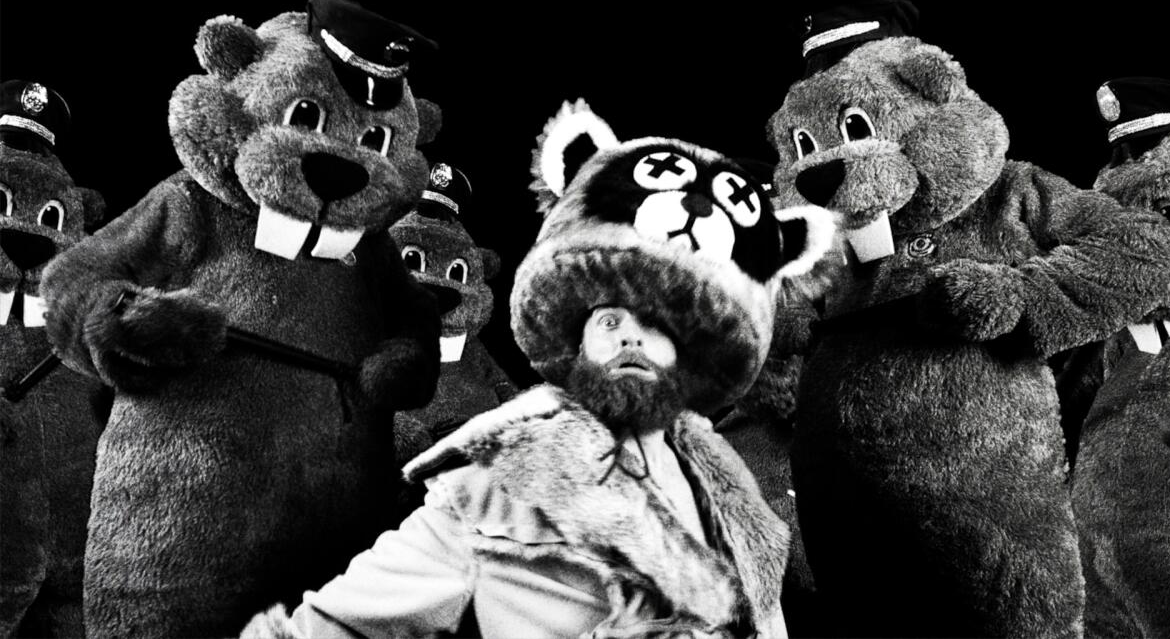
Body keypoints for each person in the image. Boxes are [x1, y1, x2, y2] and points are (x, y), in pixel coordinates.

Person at [241, 105, 837, 639]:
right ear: (579, 339)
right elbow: (336, 622)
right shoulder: (498, 482)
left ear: (687, 351)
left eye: (655, 324)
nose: (630, 335)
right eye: (610, 319)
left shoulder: (721, 482)